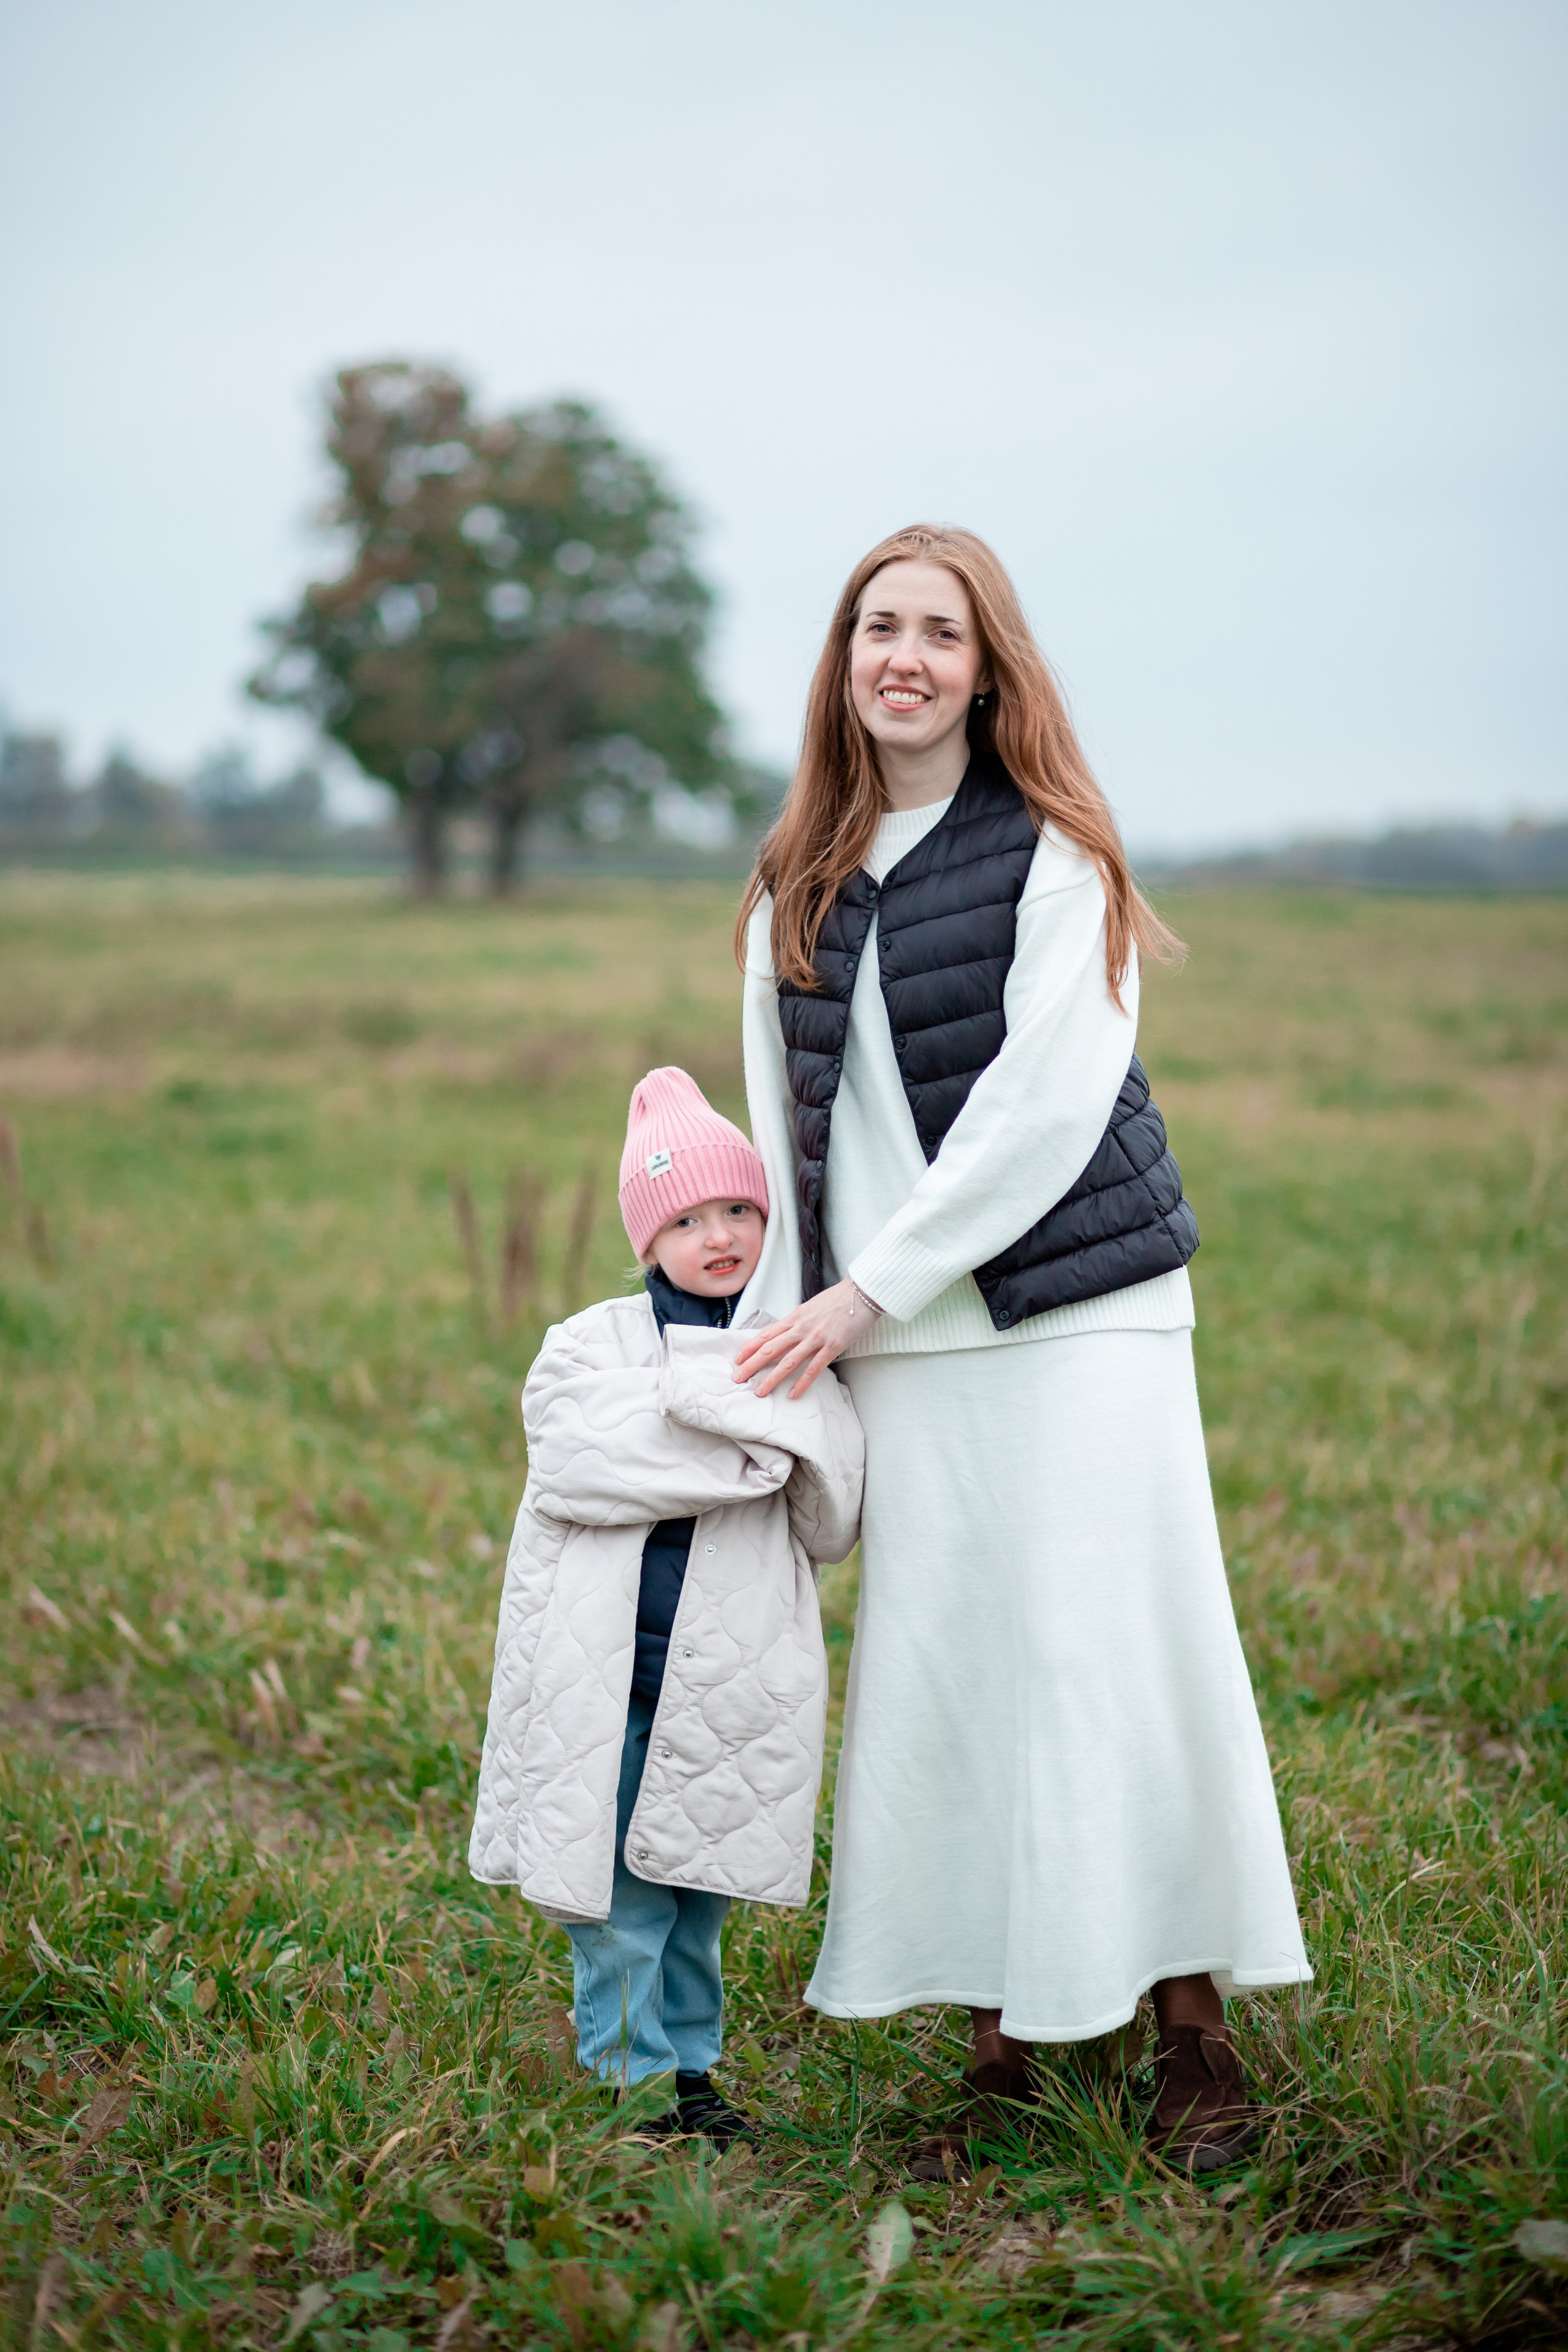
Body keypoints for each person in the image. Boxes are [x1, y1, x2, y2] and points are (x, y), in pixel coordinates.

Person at [731, 524, 1311, 2178]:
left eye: (940, 631)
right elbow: (789, 1125)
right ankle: (1009, 2035)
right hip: (899, 1346)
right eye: (875, 628)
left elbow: (1045, 1113)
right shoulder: (792, 875)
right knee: (956, 1680)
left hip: (1078, 1326)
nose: (902, 656)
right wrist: (790, 1324)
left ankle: (1193, 2035)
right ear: (844, 662)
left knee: (1111, 1660)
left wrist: (869, 1292)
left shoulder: (1057, 852)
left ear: (990, 671)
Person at [468, 1066, 864, 2147]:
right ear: (649, 1241)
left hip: (728, 1683)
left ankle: (695, 2075)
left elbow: (831, 1509)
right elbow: (578, 1463)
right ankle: (631, 2086)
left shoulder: (800, 1344)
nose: (720, 1235)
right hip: (606, 1677)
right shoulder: (587, 1345)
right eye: (687, 1218)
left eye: (739, 1209)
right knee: (618, 1899)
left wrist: (717, 1419)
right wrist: (750, 1437)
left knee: (696, 1897)